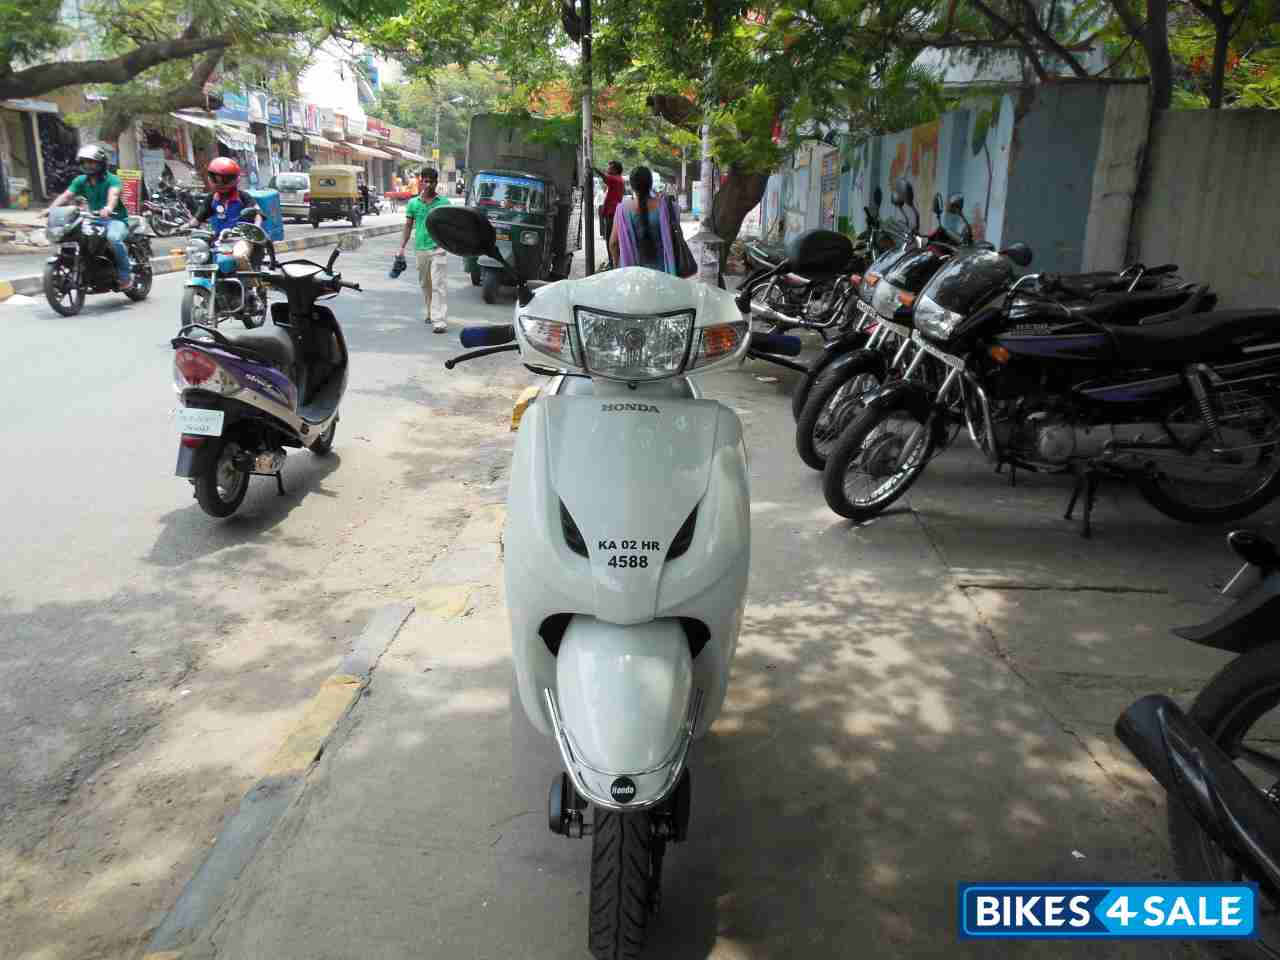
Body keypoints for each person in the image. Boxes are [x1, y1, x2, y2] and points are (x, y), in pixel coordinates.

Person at [51, 144, 134, 291]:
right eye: (84, 162)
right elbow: (66, 195)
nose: (87, 165)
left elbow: (113, 194)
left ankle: (125, 277)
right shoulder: (80, 180)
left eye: (91, 162)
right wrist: (51, 209)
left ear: (101, 163)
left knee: (113, 238)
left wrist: (108, 207)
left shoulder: (112, 179)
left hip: (115, 219)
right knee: (74, 235)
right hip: (93, 219)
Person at [398, 167, 452, 333]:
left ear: (436, 183)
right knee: (426, 284)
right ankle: (430, 311)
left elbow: (452, 226)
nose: (428, 185)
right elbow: (408, 226)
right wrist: (401, 247)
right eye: (425, 181)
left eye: (432, 181)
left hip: (439, 248)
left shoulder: (444, 203)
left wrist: (449, 243)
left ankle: (439, 320)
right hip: (420, 248)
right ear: (421, 182)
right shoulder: (413, 203)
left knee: (438, 284)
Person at [190, 157, 264, 270]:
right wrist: (185, 226)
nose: (220, 183)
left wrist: (256, 228)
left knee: (239, 256)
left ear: (234, 179)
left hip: (241, 238)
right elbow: (199, 216)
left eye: (225, 179)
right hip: (218, 240)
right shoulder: (211, 198)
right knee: (199, 259)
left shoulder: (243, 197)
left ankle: (249, 284)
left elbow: (257, 213)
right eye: (216, 179)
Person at [609, 166, 679, 275]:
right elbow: (674, 237)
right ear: (650, 184)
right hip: (663, 273)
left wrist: (616, 266)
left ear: (631, 186)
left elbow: (613, 243)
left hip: (633, 275)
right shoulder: (664, 207)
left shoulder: (622, 210)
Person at [592, 160, 624, 269]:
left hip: (612, 213)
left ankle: (612, 262)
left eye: (609, 167)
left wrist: (592, 167)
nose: (608, 169)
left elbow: (604, 176)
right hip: (612, 212)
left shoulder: (615, 179)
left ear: (615, 169)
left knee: (610, 239)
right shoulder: (619, 180)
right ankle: (613, 261)